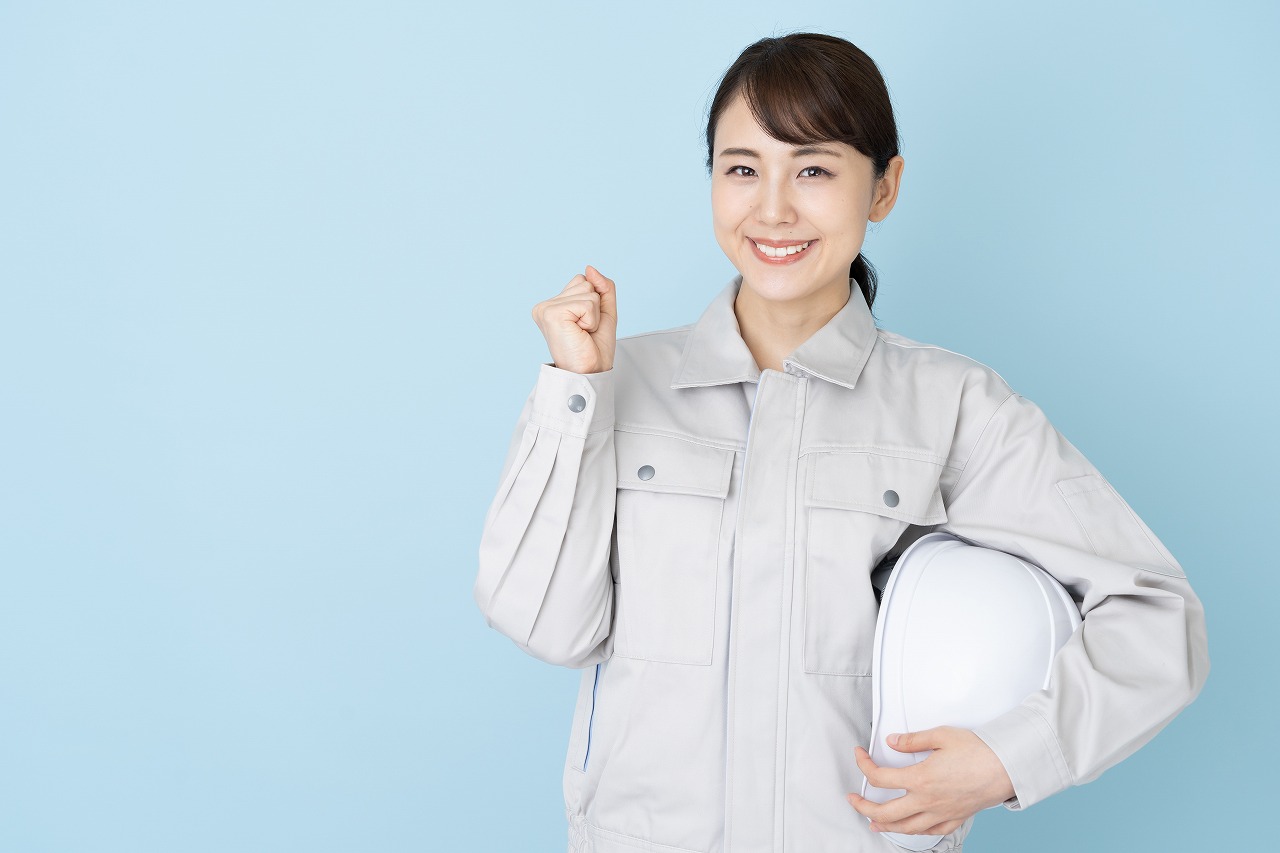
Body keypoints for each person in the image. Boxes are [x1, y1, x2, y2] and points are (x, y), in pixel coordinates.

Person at [474, 32, 1209, 853]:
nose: (773, 209)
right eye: (742, 169)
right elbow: (545, 624)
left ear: (883, 187)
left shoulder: (954, 406)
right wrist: (573, 393)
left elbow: (1156, 616)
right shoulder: (614, 382)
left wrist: (1008, 760)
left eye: (814, 170)